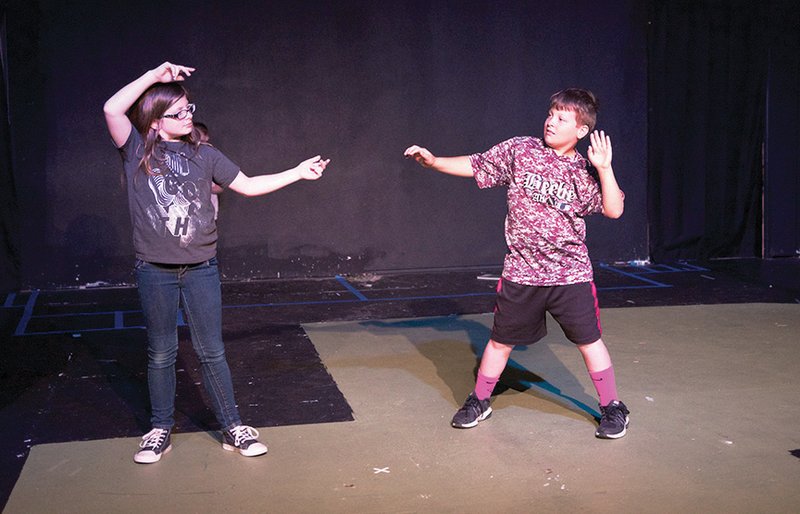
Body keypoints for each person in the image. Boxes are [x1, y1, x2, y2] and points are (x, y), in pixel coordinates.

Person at [103, 61, 329, 463]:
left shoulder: (205, 155)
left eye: (190, 109)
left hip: (201, 269)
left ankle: (232, 427)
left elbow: (249, 186)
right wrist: (156, 77)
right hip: (155, 271)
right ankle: (159, 430)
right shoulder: (136, 151)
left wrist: (297, 172)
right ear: (155, 122)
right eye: (178, 113)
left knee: (211, 351)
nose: (188, 116)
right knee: (160, 352)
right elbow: (112, 109)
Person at [404, 88, 629, 439]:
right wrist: (434, 162)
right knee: (500, 342)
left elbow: (614, 209)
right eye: (551, 113)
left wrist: (605, 168)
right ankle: (479, 400)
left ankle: (613, 407)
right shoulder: (521, 150)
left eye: (562, 118)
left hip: (570, 275)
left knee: (589, 341)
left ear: (581, 131)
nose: (551, 121)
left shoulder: (584, 170)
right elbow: (476, 164)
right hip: (522, 272)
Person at [192, 122, 224, 219]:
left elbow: (220, 187)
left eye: (201, 142)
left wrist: (202, 188)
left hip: (207, 213)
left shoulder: (212, 157)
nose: (199, 145)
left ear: (206, 138)